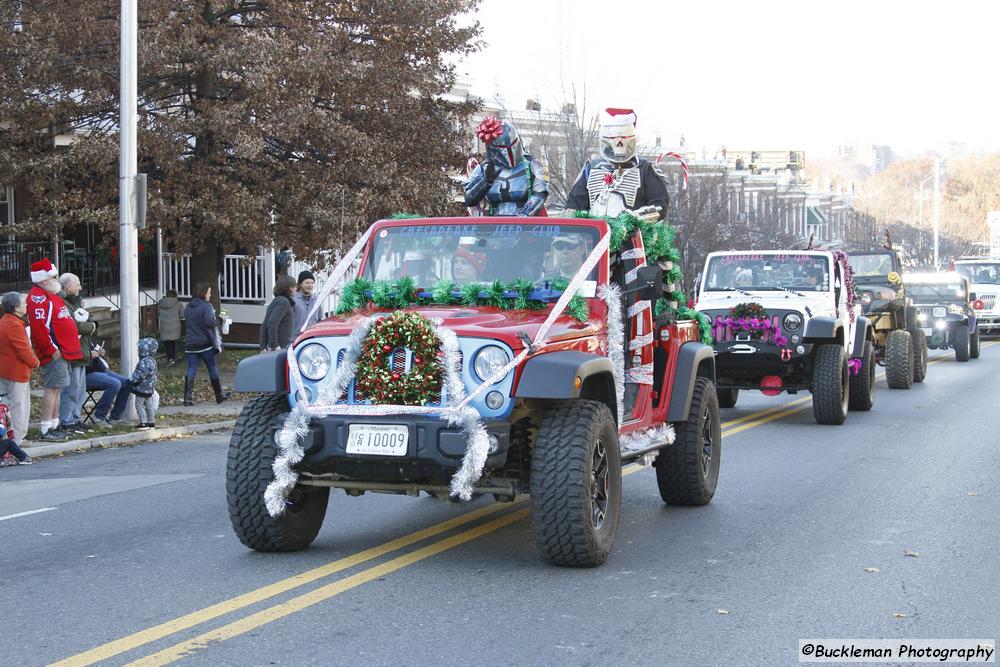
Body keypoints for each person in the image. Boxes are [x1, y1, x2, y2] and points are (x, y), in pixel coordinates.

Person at [565, 108, 669, 221]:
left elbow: (659, 206)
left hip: (633, 236)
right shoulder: (590, 169)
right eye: (614, 138)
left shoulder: (646, 170)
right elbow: (574, 206)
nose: (619, 142)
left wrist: (634, 220)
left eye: (623, 137)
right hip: (595, 236)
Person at [27, 258, 82, 441]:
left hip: (62, 351)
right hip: (54, 352)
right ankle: (45, 428)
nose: (57, 280)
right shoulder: (38, 297)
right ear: (44, 280)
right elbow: (40, 327)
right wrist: (52, 350)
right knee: (52, 388)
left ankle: (54, 424)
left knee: (58, 389)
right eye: (54, 277)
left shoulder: (51, 295)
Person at [464, 115, 549, 217]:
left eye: (512, 146)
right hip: (494, 225)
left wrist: (524, 216)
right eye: (502, 149)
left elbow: (540, 194)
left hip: (527, 227)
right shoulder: (484, 169)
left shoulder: (535, 165)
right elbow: (469, 200)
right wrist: (486, 181)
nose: (509, 153)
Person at [58, 272, 97, 434]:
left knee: (80, 390)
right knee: (71, 389)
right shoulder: (64, 304)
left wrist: (90, 324)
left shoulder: (76, 302)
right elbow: (76, 326)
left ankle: (75, 417)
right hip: (72, 353)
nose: (80, 287)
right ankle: (66, 420)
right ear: (68, 287)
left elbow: (88, 318)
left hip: (82, 351)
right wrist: (92, 327)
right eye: (78, 284)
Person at [0, 292, 39, 447]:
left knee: (7, 405)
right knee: (19, 406)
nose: (26, 305)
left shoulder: (5, 321)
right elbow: (23, 350)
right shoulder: (14, 325)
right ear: (16, 308)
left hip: (5, 370)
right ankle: (16, 439)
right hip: (16, 371)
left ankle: (8, 438)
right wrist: (35, 362)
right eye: (24, 303)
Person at [183, 282, 228, 406]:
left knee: (191, 369)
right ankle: (219, 396)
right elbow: (209, 323)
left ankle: (187, 399)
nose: (210, 294)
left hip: (191, 344)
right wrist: (221, 319)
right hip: (205, 344)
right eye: (208, 292)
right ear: (203, 293)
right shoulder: (206, 306)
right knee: (212, 368)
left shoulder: (188, 307)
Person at [85, 344, 132, 425]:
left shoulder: (89, 339)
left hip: (101, 370)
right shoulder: (78, 338)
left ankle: (115, 417)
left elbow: (96, 357)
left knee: (127, 382)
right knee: (115, 384)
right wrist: (89, 355)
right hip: (87, 374)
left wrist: (100, 354)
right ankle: (99, 417)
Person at [129, 338, 160, 430]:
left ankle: (143, 423)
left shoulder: (143, 362)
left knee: (139, 404)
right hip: (150, 388)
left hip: (142, 388)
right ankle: (151, 422)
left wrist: (131, 380)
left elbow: (140, 374)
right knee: (149, 405)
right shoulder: (152, 360)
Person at [260, 275, 297, 351]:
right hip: (281, 347)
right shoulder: (284, 302)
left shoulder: (276, 300)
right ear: (289, 288)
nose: (295, 289)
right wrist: (275, 345)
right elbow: (271, 323)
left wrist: (263, 346)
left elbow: (264, 325)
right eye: (294, 287)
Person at [157, 289, 182, 365]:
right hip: (174, 327)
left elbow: (158, 314)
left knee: (167, 343)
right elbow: (182, 315)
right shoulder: (178, 304)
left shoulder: (160, 304)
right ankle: (173, 357)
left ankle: (170, 358)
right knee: (173, 342)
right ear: (175, 295)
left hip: (164, 326)